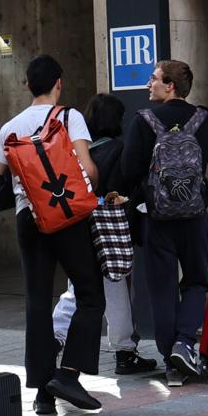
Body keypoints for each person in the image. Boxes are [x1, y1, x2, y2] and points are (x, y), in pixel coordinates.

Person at [119, 59, 208, 387]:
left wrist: (123, 194)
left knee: (161, 289)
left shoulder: (144, 122)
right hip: (195, 218)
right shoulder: (203, 121)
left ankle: (172, 363)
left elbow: (128, 171)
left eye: (153, 79)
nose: (148, 84)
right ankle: (185, 342)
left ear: (170, 86)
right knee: (197, 281)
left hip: (157, 219)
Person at [0, 54, 106, 415]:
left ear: (27, 85)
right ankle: (68, 374)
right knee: (90, 294)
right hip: (66, 216)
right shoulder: (70, 117)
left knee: (37, 303)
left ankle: (43, 394)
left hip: (29, 219)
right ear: (59, 84)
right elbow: (88, 170)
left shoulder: (10, 128)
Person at [51, 93, 158, 376]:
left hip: (78, 226)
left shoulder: (80, 152)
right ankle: (124, 351)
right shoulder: (121, 150)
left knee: (78, 287)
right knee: (115, 287)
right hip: (110, 229)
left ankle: (55, 336)